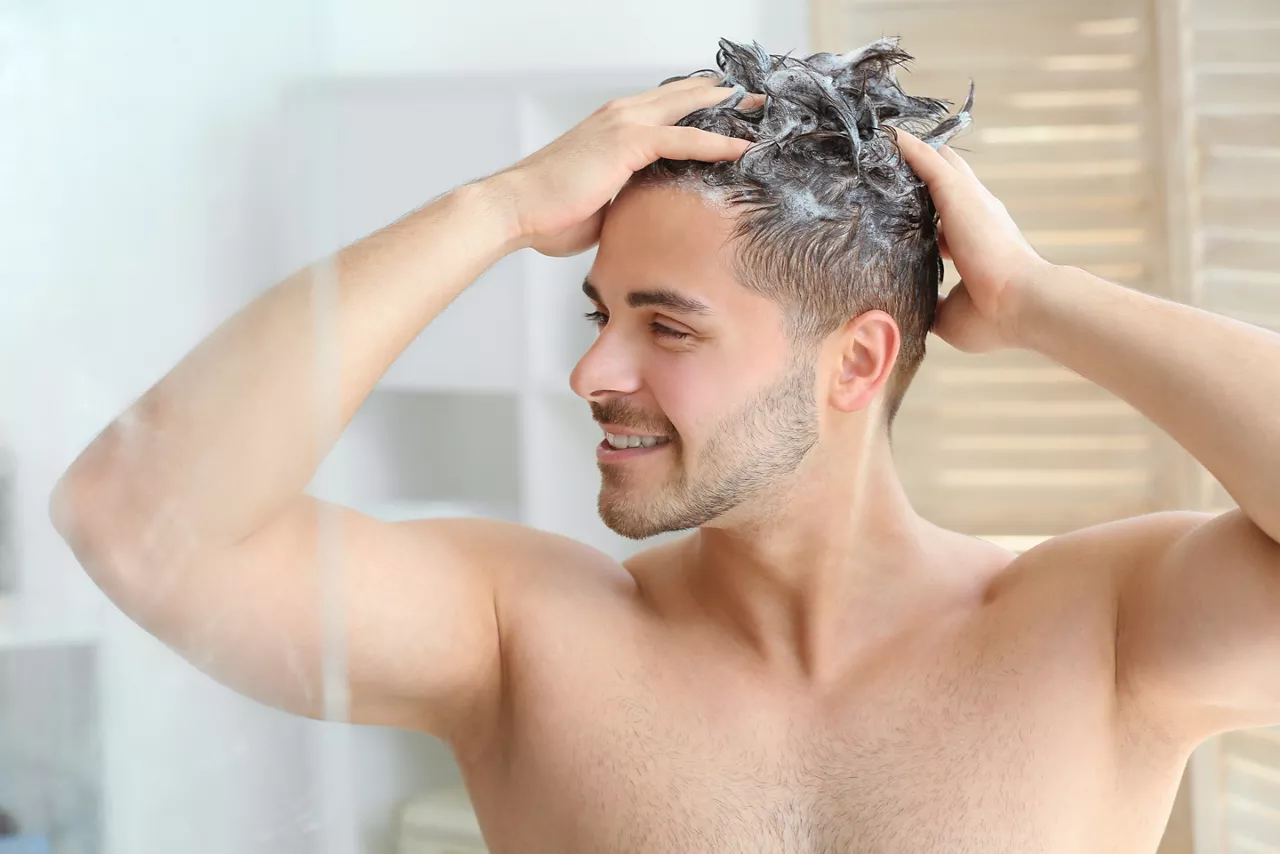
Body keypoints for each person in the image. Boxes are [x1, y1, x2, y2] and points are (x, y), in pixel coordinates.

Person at [49, 38, 1280, 853]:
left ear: (855, 361)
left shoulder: (1096, 629)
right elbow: (132, 519)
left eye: (666, 324)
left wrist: (1037, 295)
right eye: (601, 313)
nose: (593, 370)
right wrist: (496, 207)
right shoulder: (524, 639)